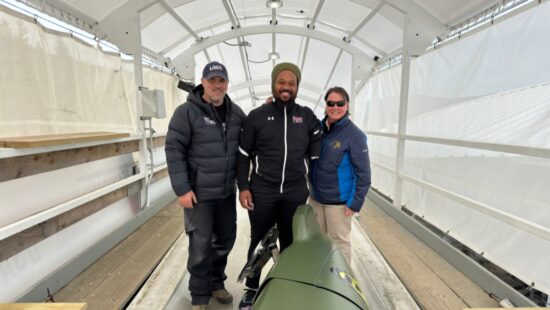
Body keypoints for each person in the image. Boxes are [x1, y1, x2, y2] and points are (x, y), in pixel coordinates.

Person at [236, 62, 322, 309]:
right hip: (263, 189)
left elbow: (317, 135)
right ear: (274, 84)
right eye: (281, 82)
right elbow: (243, 154)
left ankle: (287, 284)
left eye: (291, 83)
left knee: (291, 240)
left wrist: (313, 156)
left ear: (297, 87)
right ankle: (252, 288)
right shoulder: (257, 116)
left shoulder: (305, 115)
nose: (286, 87)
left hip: (295, 190)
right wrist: (243, 187)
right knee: (259, 240)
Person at [165, 61, 245, 310]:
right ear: (203, 82)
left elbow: (252, 134)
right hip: (198, 195)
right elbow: (174, 149)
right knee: (200, 246)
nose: (217, 85)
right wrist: (182, 189)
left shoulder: (236, 113)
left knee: (225, 240)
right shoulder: (186, 113)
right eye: (212, 80)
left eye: (221, 80)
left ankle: (215, 283)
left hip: (225, 193)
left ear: (227, 83)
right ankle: (199, 296)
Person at [308, 86, 371, 262]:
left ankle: (342, 283)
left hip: (339, 204)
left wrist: (355, 202)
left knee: (339, 243)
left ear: (347, 105)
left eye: (340, 103)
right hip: (316, 199)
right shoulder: (317, 129)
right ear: (326, 105)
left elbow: (364, 174)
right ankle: (320, 277)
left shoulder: (355, 135)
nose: (335, 107)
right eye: (331, 103)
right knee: (316, 241)